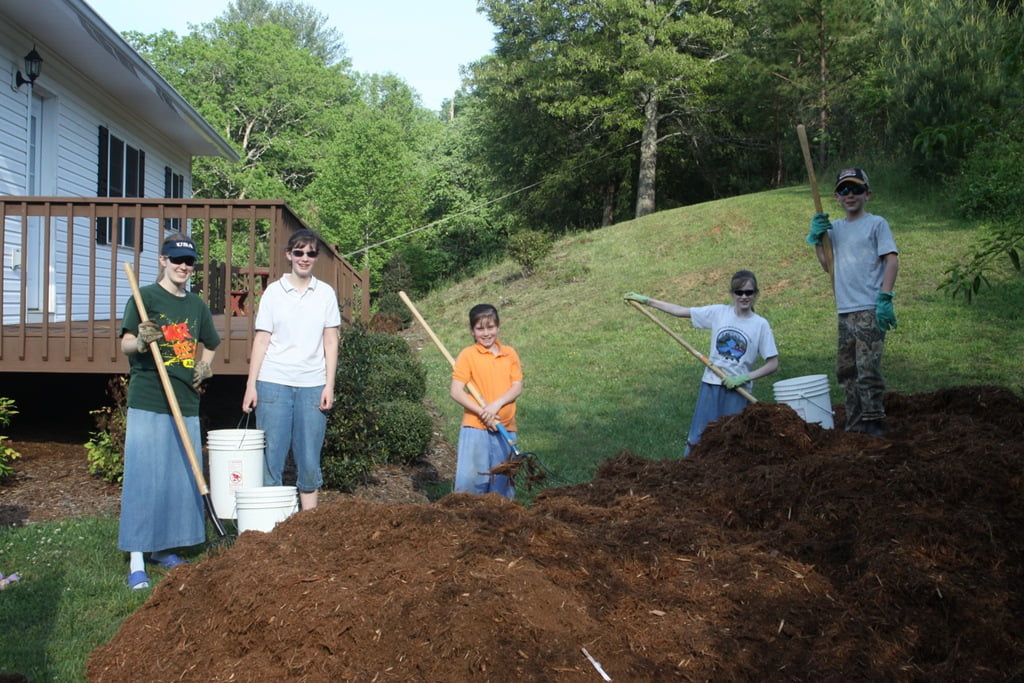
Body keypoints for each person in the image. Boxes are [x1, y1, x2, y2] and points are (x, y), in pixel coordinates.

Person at [119, 233, 220, 590]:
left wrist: (205, 365)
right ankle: (137, 558)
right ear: (162, 260)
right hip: (149, 397)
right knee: (144, 477)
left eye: (188, 261)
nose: (183, 266)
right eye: (176, 259)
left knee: (178, 478)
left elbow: (212, 343)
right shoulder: (145, 298)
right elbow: (125, 343)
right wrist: (140, 341)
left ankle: (163, 549)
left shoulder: (196, 306)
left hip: (185, 399)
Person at [625, 270, 779, 456]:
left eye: (749, 292)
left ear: (756, 294)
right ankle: (689, 469)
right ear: (732, 293)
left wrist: (744, 377)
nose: (744, 297)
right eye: (739, 292)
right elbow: (681, 311)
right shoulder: (719, 313)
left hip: (739, 391)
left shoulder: (760, 325)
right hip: (712, 384)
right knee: (699, 436)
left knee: (732, 441)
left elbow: (773, 364)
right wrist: (647, 301)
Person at [242, 229, 340, 511]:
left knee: (309, 458)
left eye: (311, 253)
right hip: (273, 383)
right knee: (272, 456)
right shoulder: (274, 292)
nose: (304, 258)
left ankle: (308, 523)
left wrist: (329, 385)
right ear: (289, 255)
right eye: (299, 252)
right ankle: (271, 522)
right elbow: (262, 339)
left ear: (316, 257)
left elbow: (331, 340)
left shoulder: (325, 293)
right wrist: (251, 386)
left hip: (313, 386)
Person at [806, 167, 899, 436]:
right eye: (844, 190)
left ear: (867, 194)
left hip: (870, 308)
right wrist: (818, 240)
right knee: (846, 370)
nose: (850, 195)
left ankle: (873, 421)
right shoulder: (834, 229)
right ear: (836, 197)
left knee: (867, 368)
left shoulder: (876, 224)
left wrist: (885, 297)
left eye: (856, 189)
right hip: (845, 311)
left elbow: (891, 260)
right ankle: (855, 424)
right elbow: (829, 267)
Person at [449, 303, 523, 498]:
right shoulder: (468, 355)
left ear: (498, 326)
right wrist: (483, 413)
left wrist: (495, 405)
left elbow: (517, 387)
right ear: (472, 331)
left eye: (490, 327)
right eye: (480, 328)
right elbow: (456, 391)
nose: (486, 333)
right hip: (476, 429)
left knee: (502, 486)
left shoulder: (509, 354)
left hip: (506, 429)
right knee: (471, 485)